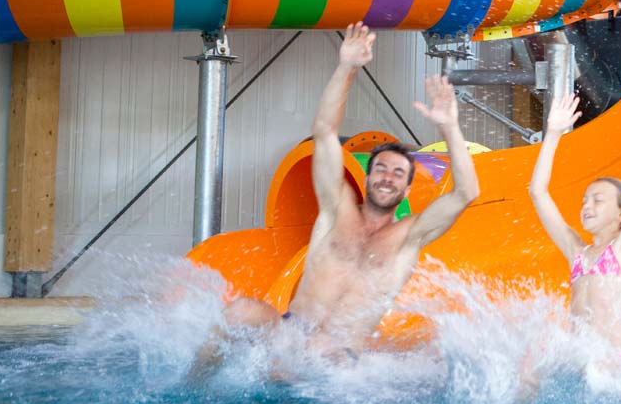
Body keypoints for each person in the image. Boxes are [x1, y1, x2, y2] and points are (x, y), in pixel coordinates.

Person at [194, 22, 480, 372]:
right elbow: (325, 132)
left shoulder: (410, 236)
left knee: (313, 351)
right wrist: (347, 67)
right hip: (291, 331)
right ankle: (192, 389)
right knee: (240, 311)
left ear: (406, 189)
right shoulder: (336, 207)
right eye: (381, 169)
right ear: (367, 175)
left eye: (397, 174)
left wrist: (450, 126)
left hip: (338, 356)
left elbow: (467, 192)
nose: (387, 178)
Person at [527, 68, 621, 363]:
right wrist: (553, 134)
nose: (586, 206)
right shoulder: (577, 253)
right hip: (582, 365)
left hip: (616, 366)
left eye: (597, 200)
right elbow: (537, 192)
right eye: (585, 200)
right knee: (532, 357)